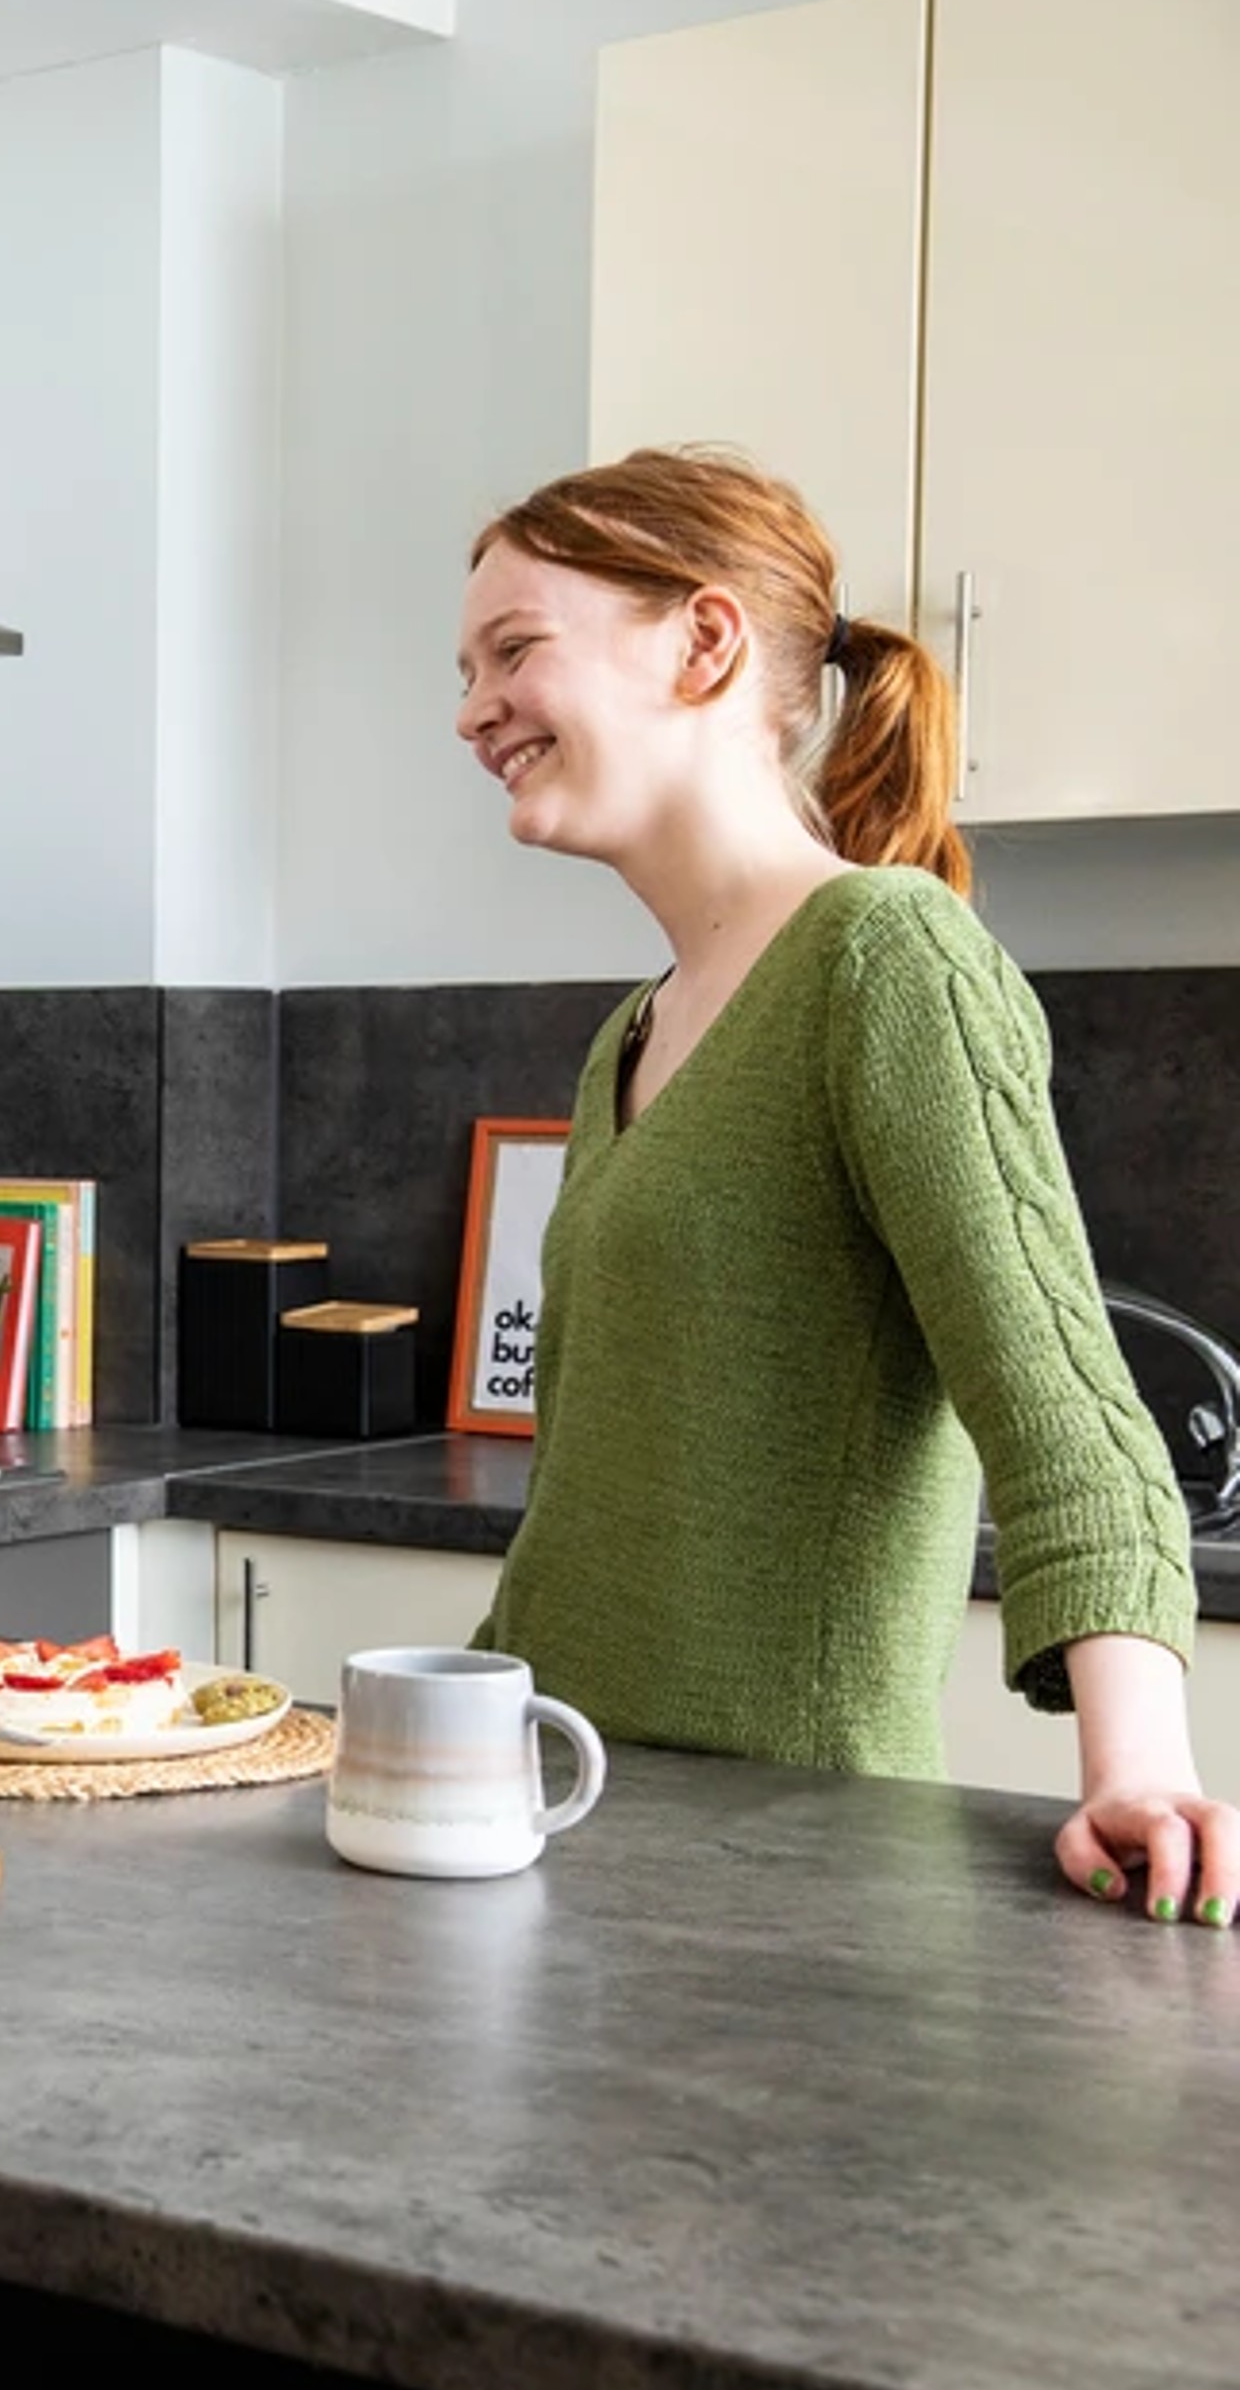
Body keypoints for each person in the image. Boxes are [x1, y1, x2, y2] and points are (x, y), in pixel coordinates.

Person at [454, 445, 1230, 1920]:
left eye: (516, 649)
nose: (473, 706)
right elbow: (589, 1507)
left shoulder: (887, 959)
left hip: (792, 1887)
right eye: (467, 664)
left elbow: (1065, 1403)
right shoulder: (635, 1028)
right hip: (568, 1833)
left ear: (703, 639)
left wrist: (1139, 1768)